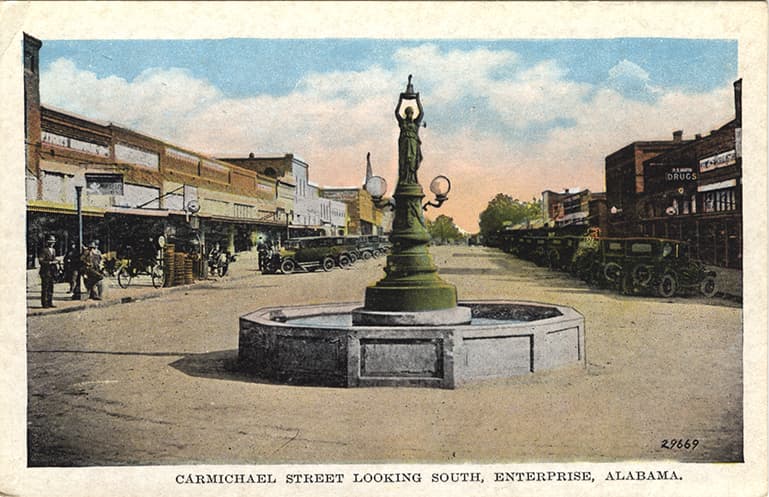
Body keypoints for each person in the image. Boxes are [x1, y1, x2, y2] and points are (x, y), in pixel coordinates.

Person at [38, 235, 57, 308]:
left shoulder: (53, 250)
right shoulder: (44, 250)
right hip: (45, 272)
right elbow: (41, 261)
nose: (52, 243)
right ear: (47, 242)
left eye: (53, 242)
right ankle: (44, 303)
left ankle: (50, 302)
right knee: (45, 288)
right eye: (50, 242)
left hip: (52, 271)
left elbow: (53, 259)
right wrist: (50, 263)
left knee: (51, 288)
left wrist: (56, 262)